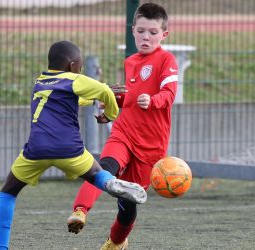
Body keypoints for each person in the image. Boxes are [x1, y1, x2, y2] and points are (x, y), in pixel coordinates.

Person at [0, 40, 147, 250]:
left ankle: (0, 247)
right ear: (73, 65)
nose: (81, 69)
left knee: (8, 192)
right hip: (68, 148)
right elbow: (104, 91)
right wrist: (108, 115)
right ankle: (110, 184)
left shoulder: (40, 82)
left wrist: (95, 96)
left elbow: (71, 100)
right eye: (80, 66)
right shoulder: (74, 79)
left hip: (36, 150)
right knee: (95, 174)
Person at [67, 3, 178, 249]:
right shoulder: (131, 61)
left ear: (164, 34)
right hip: (124, 133)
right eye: (141, 31)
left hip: (151, 148)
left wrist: (153, 100)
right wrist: (110, 110)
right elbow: (131, 96)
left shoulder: (167, 60)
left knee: (127, 205)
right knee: (103, 167)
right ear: (133, 30)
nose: (145, 37)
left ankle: (116, 242)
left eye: (152, 32)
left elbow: (169, 95)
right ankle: (80, 211)